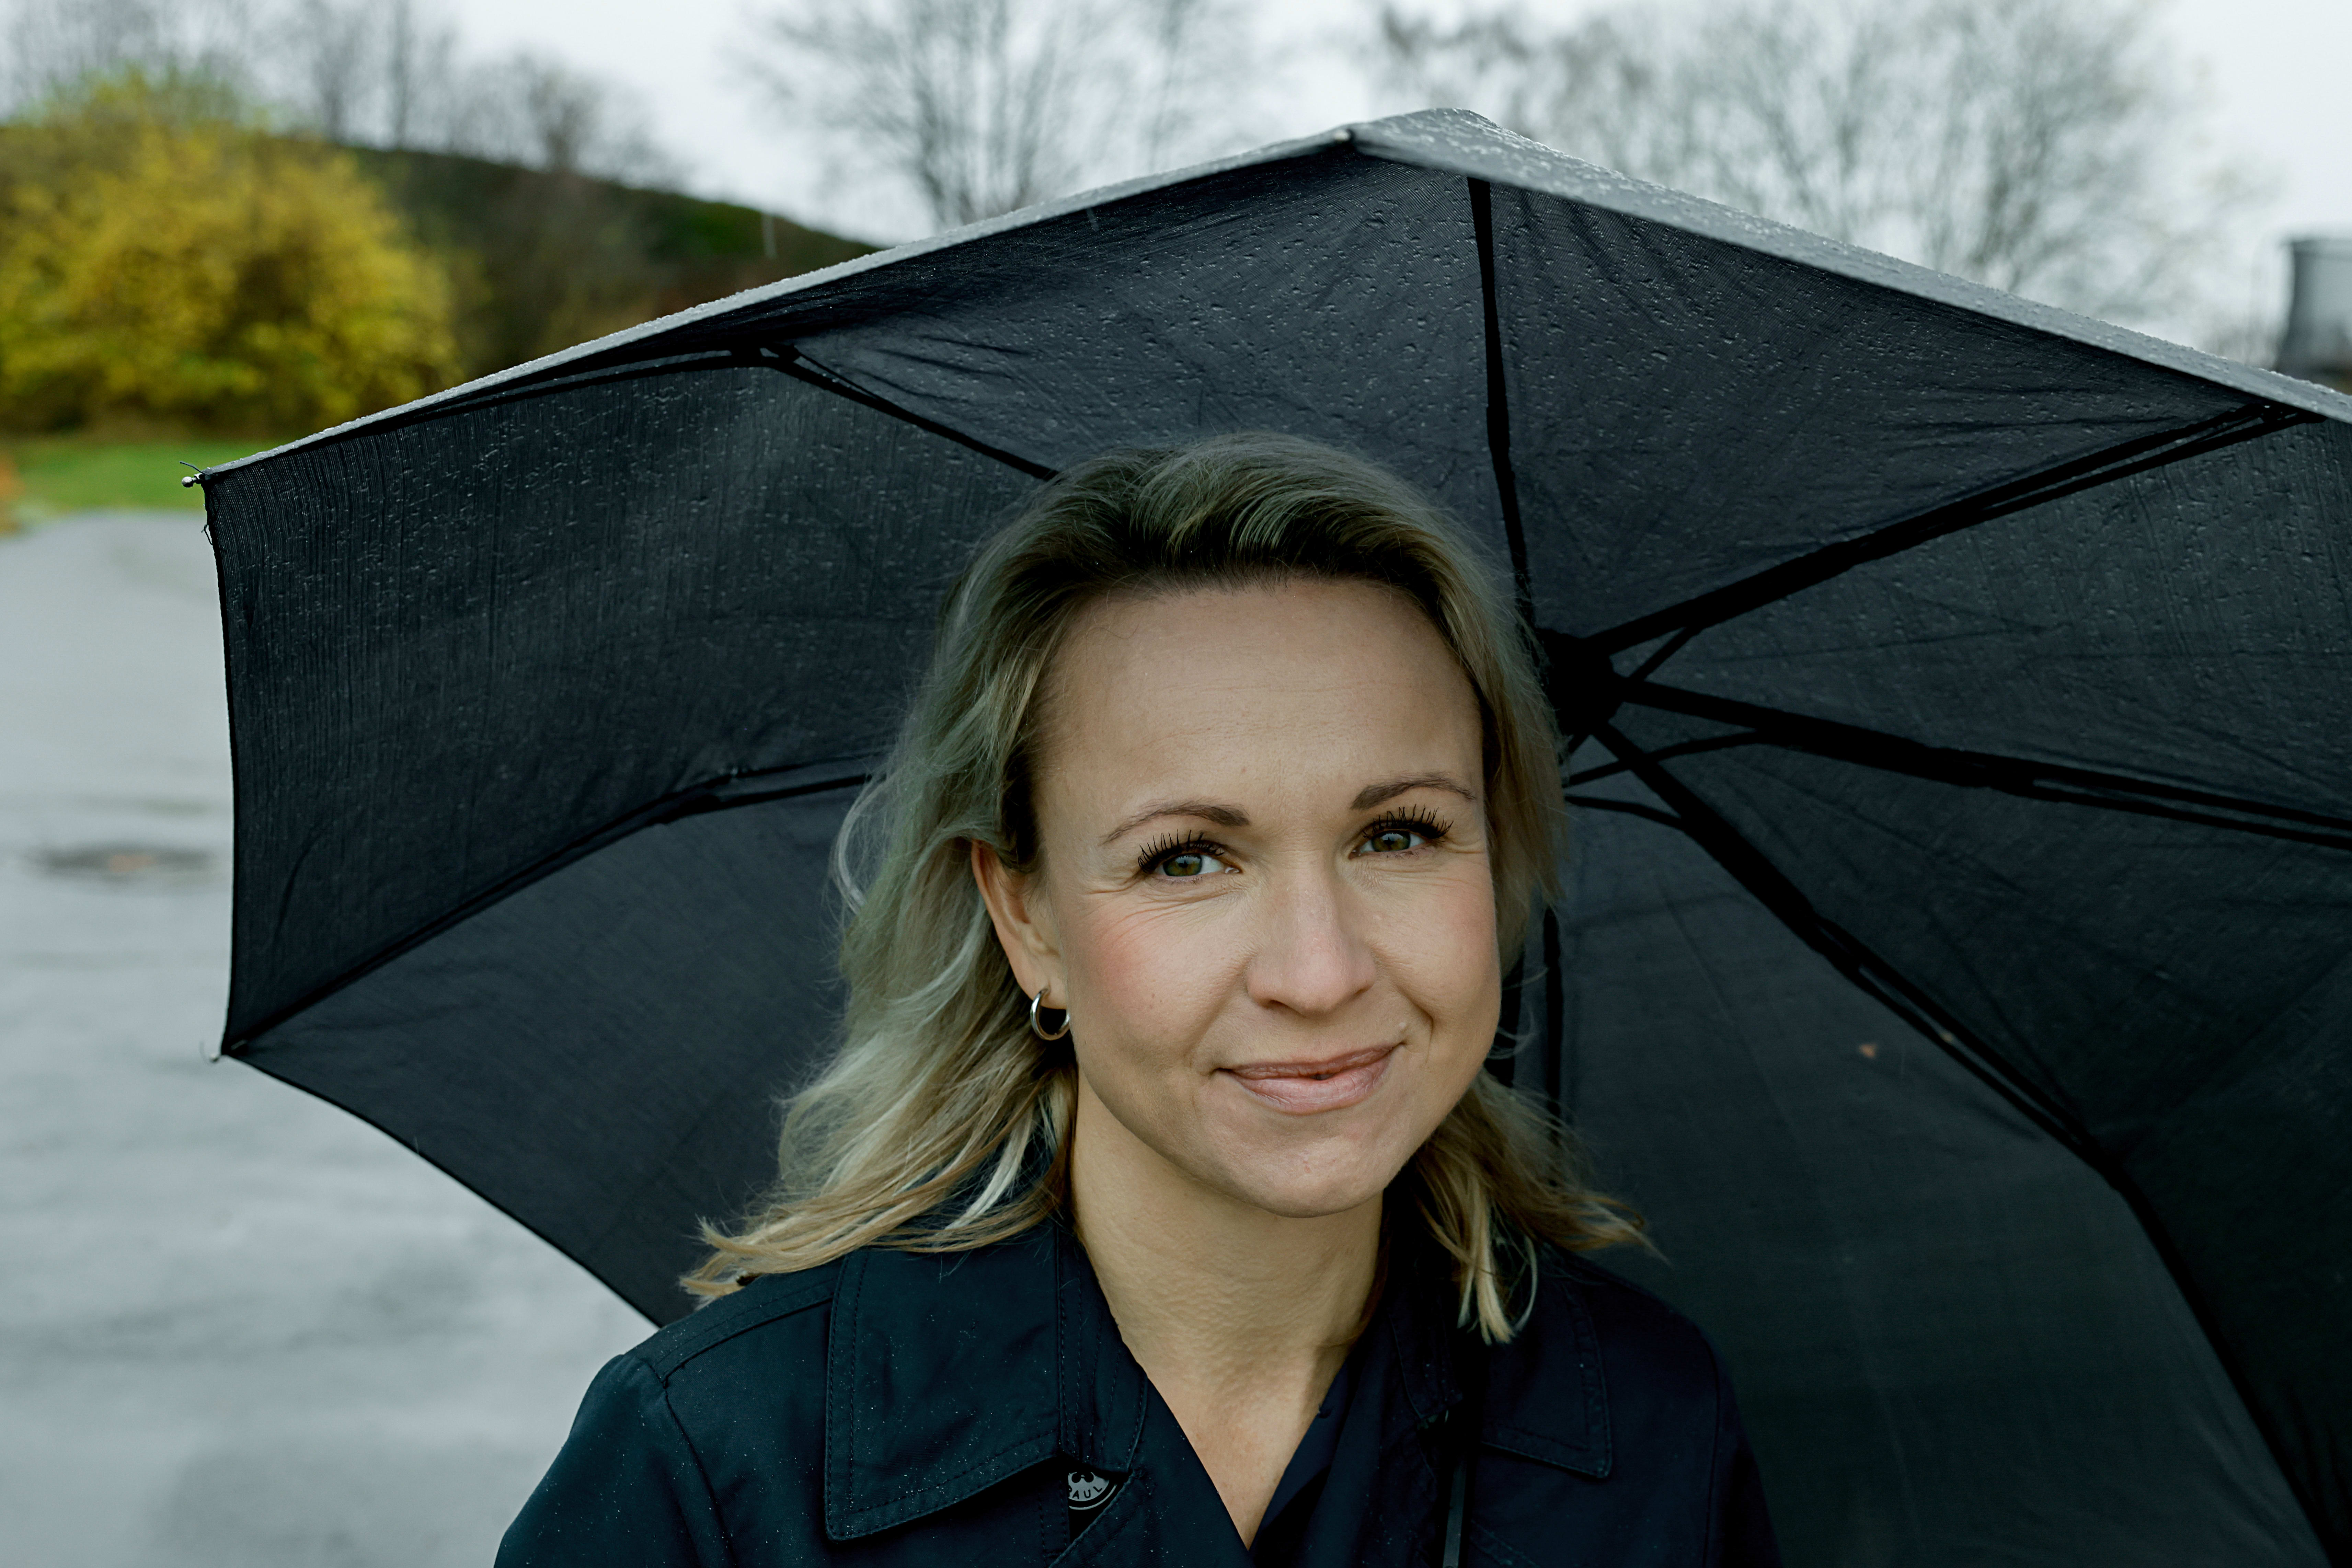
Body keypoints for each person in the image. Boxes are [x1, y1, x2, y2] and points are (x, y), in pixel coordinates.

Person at [497, 434, 1781, 1567]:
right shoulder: (718, 1471)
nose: (1319, 972)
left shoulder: (1650, 1428)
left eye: (1397, 834)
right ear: (1026, 918)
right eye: (1187, 859)